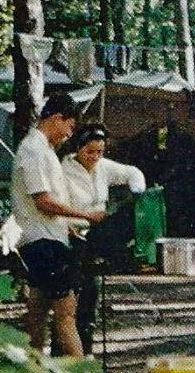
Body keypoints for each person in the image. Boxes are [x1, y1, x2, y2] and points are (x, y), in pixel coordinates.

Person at [11, 91, 105, 356]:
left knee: (38, 310)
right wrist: (86, 215)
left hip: (48, 237)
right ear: (56, 118)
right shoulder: (34, 151)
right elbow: (43, 201)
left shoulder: (46, 151)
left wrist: (67, 226)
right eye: (69, 127)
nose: (69, 134)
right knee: (66, 313)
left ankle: (34, 368)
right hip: (43, 243)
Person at [62, 124, 146, 352]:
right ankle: (71, 350)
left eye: (99, 152)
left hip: (98, 233)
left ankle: (86, 347)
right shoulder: (63, 171)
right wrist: (72, 223)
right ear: (78, 148)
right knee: (76, 297)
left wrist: (136, 193)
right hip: (73, 235)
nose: (95, 157)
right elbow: (56, 208)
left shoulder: (102, 167)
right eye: (90, 152)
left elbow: (132, 173)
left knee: (91, 294)